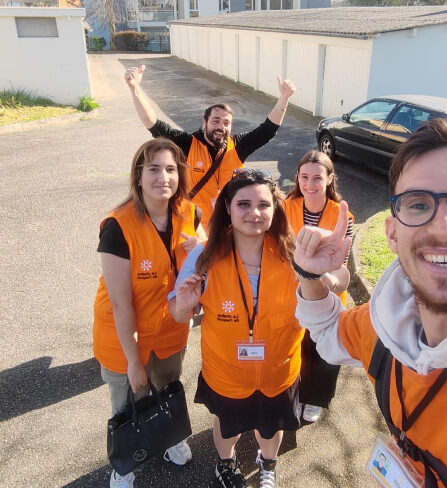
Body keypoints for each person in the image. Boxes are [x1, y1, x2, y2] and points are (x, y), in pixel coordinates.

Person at [293, 118, 447, 488]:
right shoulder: (384, 325)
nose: (444, 228)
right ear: (392, 233)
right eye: (418, 204)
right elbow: (327, 334)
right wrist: (310, 276)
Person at [169, 168, 304, 488]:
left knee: (270, 428)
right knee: (227, 427)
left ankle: (268, 463)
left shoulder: (293, 254)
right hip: (226, 372)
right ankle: (225, 463)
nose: (254, 212)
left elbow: (327, 293)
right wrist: (185, 304)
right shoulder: (205, 256)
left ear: (275, 209)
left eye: (263, 205)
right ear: (227, 207)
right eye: (244, 204)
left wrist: (331, 277)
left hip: (278, 371)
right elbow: (178, 314)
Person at [93, 138, 206, 488]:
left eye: (171, 169)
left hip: (171, 328)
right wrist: (133, 361)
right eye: (153, 169)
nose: (163, 177)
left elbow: (204, 254)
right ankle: (125, 462)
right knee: (129, 402)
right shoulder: (118, 226)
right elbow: (121, 303)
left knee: (168, 387)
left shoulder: (190, 213)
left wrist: (203, 247)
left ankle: (171, 437)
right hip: (124, 335)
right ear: (138, 176)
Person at [124, 64, 296, 229]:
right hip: (193, 228)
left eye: (226, 123)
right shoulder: (188, 144)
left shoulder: (237, 147)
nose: (221, 127)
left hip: (227, 229)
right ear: (204, 122)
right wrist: (134, 89)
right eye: (215, 121)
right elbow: (154, 125)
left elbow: (267, 130)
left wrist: (284, 98)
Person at [284, 150, 353, 423]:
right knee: (297, 347)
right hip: (290, 292)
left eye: (317, 178)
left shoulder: (342, 216)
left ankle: (315, 399)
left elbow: (341, 263)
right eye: (304, 177)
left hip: (326, 294)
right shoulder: (286, 206)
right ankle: (299, 392)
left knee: (322, 352)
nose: (309, 184)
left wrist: (326, 280)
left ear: (329, 179)